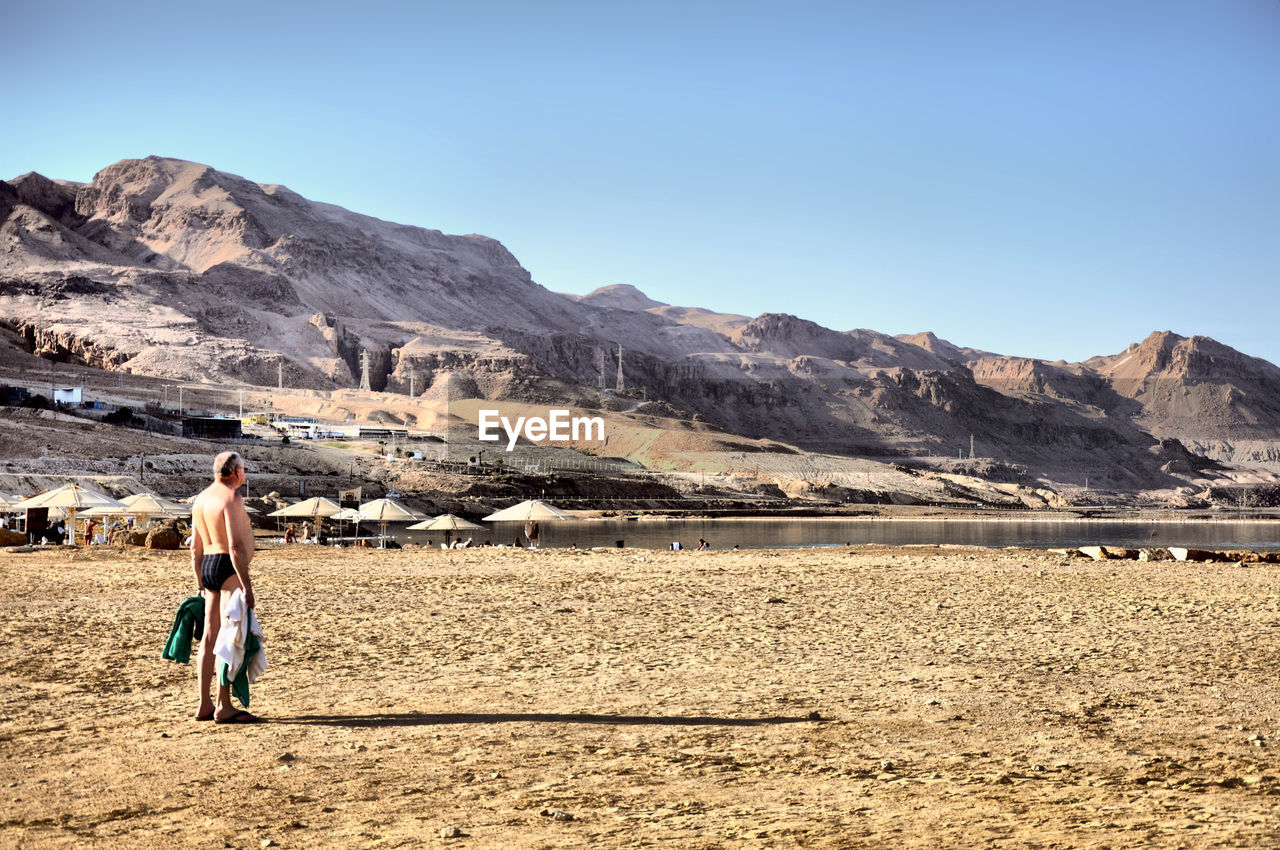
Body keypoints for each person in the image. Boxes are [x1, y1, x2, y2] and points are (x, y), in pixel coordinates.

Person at [190, 451, 260, 724]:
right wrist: (247, 586)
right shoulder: (231, 498)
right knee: (229, 637)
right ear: (237, 471)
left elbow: (194, 548)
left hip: (207, 564)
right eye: (243, 469)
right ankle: (223, 705)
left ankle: (203, 704)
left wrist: (199, 582)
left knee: (209, 637)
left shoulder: (201, 500)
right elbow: (234, 546)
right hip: (226, 567)